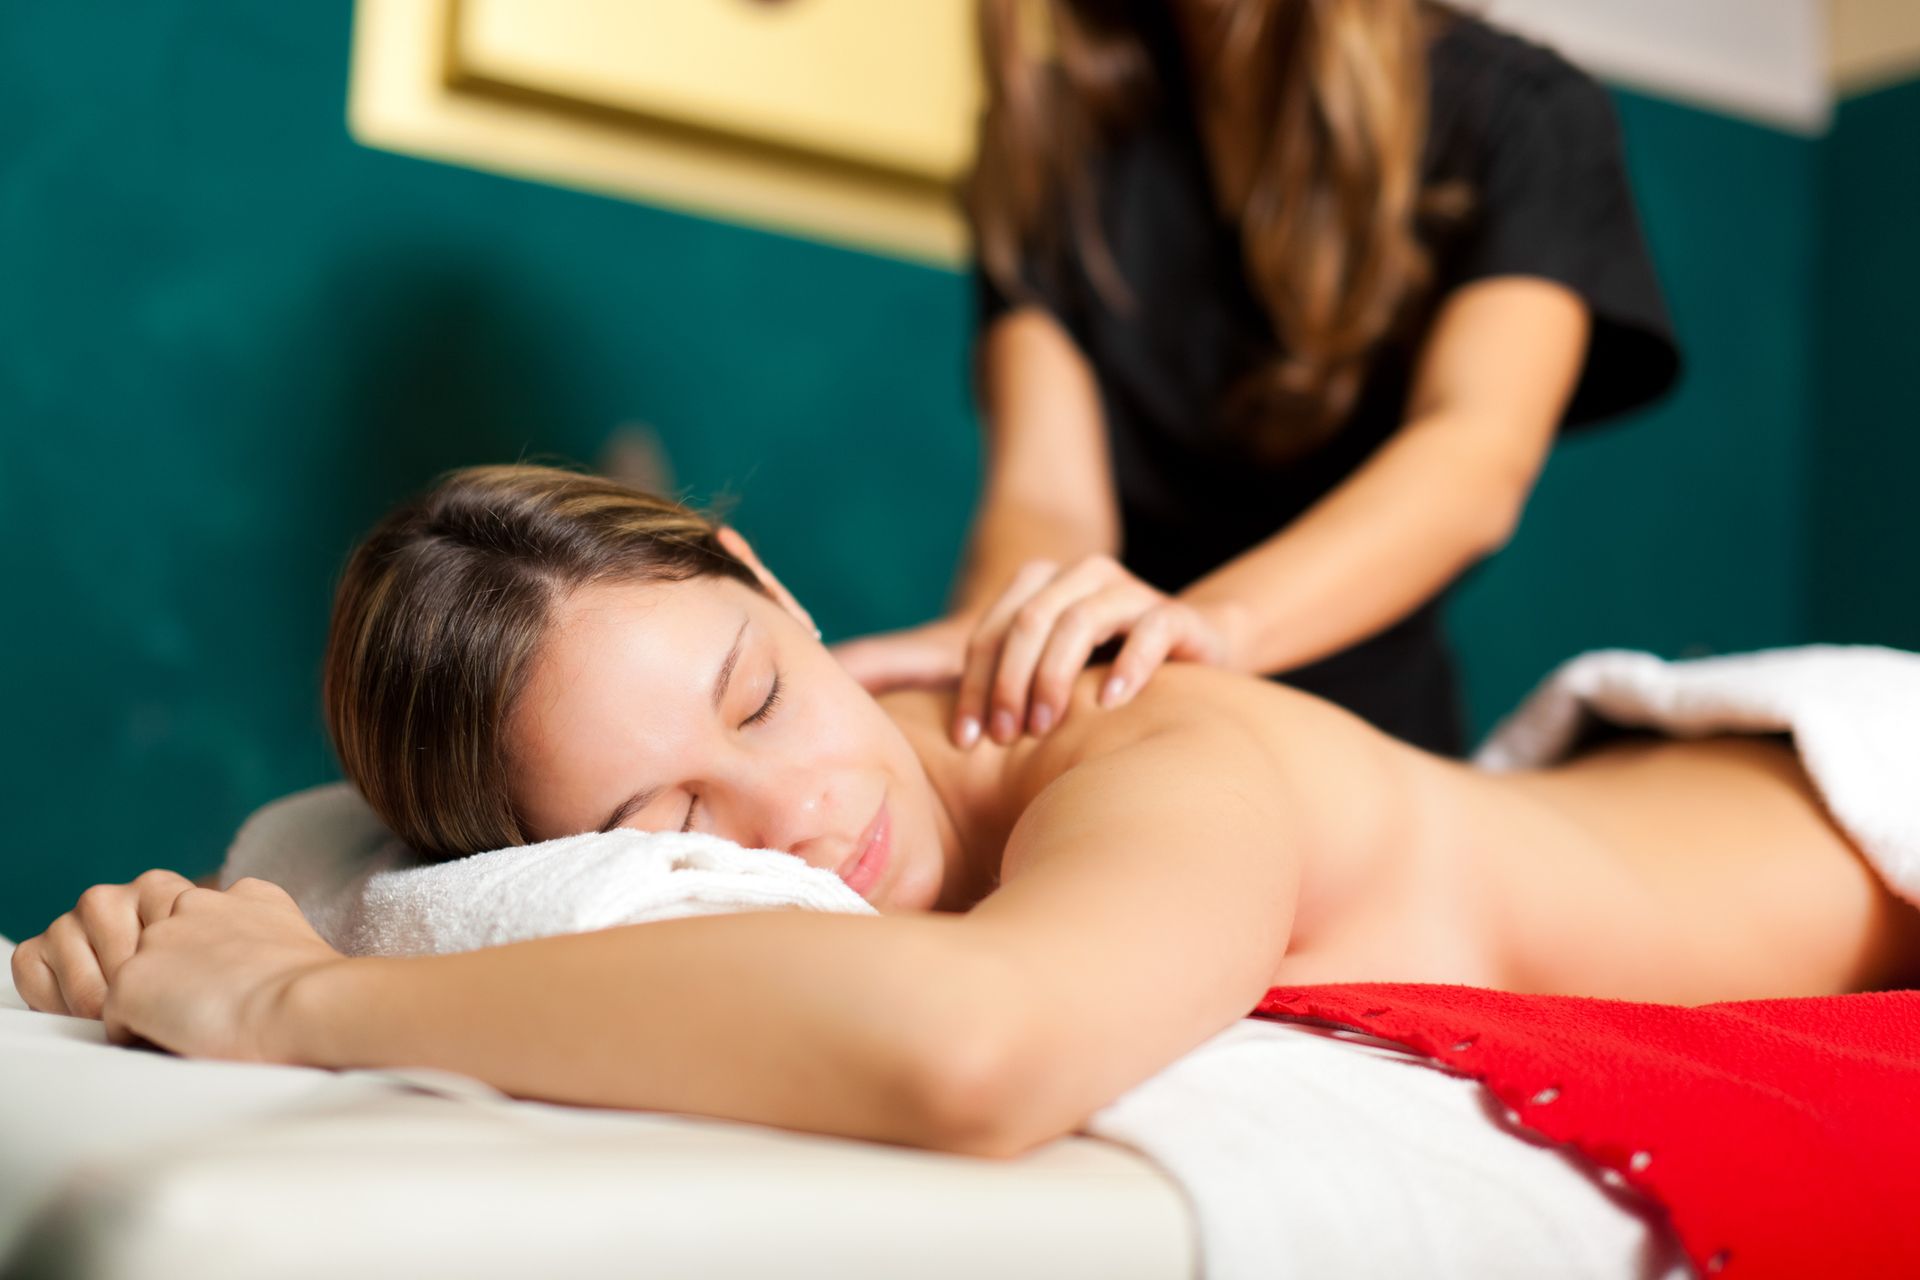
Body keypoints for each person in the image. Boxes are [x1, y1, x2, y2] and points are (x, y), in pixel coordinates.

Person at [14, 467, 1915, 1158]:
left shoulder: (1168, 764)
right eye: (673, 816)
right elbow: (327, 869)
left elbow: (982, 1046)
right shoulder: (803, 783)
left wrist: (293, 1004)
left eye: (759, 692)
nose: (801, 807)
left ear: (771, 578)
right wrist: (176, 940)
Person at [834, 0, 1681, 758]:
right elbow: (1047, 496)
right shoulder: (1049, 138)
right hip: (1119, 727)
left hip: (1365, 753)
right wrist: (1002, 635)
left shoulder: (1527, 117)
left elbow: (1471, 456)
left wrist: (1213, 627)